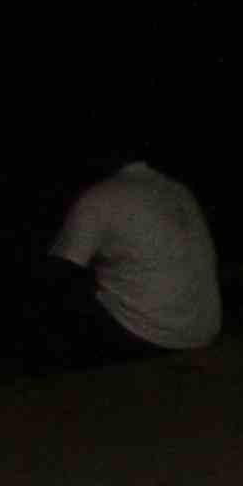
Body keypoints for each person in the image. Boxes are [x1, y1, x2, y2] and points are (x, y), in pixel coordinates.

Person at [42, 152, 219, 361]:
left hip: (152, 334)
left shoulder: (103, 196)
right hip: (203, 327)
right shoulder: (177, 190)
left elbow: (61, 271)